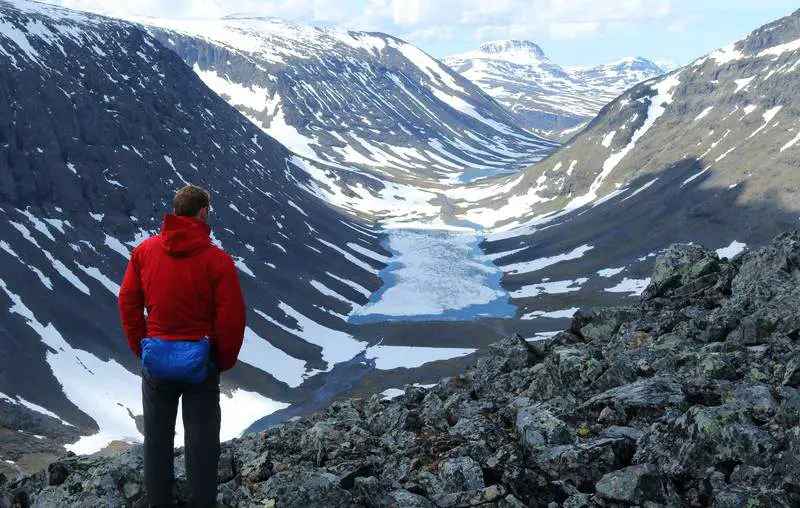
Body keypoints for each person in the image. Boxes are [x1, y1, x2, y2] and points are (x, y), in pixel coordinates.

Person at [118, 185, 246, 507]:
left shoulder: (145, 252)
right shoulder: (217, 261)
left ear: (175, 212)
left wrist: (141, 346)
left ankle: (159, 502)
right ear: (203, 212)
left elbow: (128, 301)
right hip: (200, 362)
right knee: (202, 442)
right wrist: (221, 359)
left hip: (157, 359)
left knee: (157, 440)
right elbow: (231, 317)